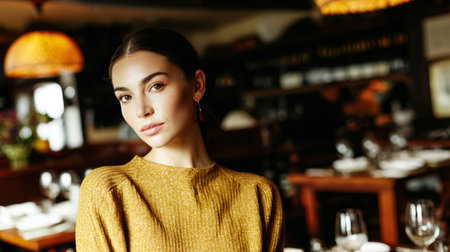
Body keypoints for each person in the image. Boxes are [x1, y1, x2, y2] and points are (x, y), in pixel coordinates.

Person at [75, 27, 285, 251]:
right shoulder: (110, 191)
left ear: (197, 85)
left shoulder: (259, 194)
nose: (141, 110)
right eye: (126, 97)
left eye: (156, 86)